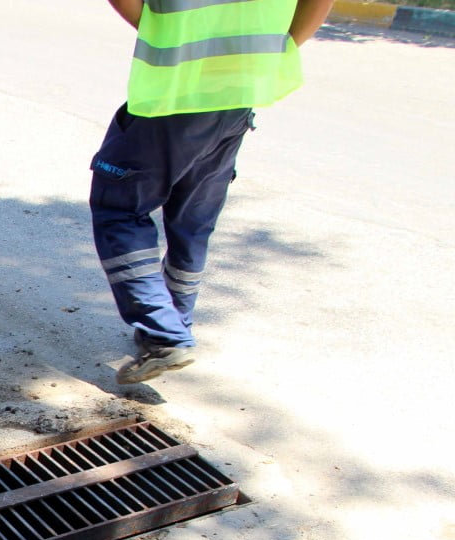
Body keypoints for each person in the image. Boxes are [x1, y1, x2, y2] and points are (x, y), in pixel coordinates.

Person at [91, 0, 334, 383]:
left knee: (120, 208)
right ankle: (172, 323)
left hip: (175, 92)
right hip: (239, 91)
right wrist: (276, 48)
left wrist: (163, 31)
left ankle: (165, 333)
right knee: (193, 219)